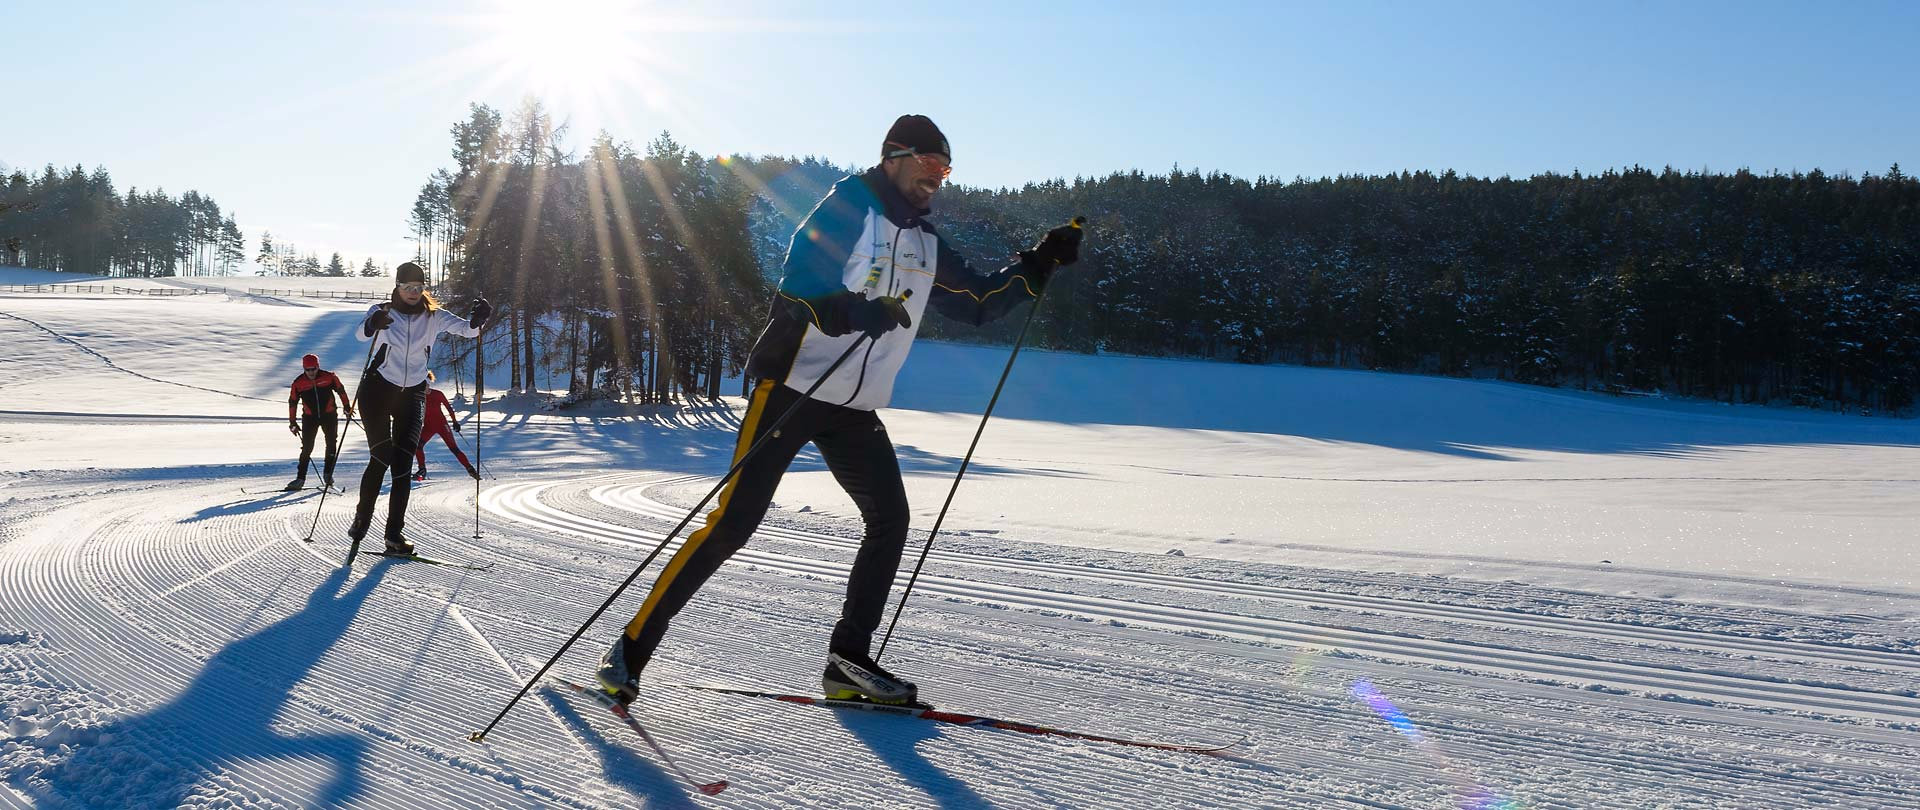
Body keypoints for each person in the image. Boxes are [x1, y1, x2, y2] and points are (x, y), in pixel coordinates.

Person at [596, 115, 1083, 706]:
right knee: (734, 522)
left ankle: (847, 662)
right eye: (930, 165)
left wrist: (1037, 264)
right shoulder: (849, 207)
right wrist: (854, 310)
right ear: (894, 157)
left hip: (853, 407)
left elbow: (978, 302)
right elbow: (799, 282)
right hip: (793, 388)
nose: (937, 178)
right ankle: (631, 648)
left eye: (946, 170)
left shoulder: (926, 242)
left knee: (890, 520)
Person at [350, 261, 491, 556]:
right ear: (398, 287)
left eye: (418, 287)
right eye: (407, 287)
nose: (414, 292)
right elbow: (361, 335)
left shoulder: (433, 315)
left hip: (412, 393)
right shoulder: (382, 311)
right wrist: (372, 324)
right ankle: (362, 519)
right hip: (377, 390)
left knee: (402, 465)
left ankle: (394, 536)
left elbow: (468, 331)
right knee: (381, 456)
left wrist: (479, 319)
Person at [285, 353, 351, 491]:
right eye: (308, 369)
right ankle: (300, 479)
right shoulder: (298, 383)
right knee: (307, 448)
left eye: (313, 369)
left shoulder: (329, 377)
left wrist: (346, 407)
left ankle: (328, 474)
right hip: (310, 418)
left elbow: (341, 390)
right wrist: (292, 422)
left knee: (331, 443)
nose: (311, 372)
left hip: (329, 416)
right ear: (304, 368)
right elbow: (292, 402)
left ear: (318, 366)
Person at [412, 370, 477, 482]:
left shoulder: (438, 394)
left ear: (428, 384)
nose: (424, 388)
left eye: (426, 385)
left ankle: (470, 469)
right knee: (418, 446)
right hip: (428, 427)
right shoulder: (418, 397)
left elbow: (449, 408)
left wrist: (455, 422)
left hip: (442, 426)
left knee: (454, 448)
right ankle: (422, 470)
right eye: (422, 386)